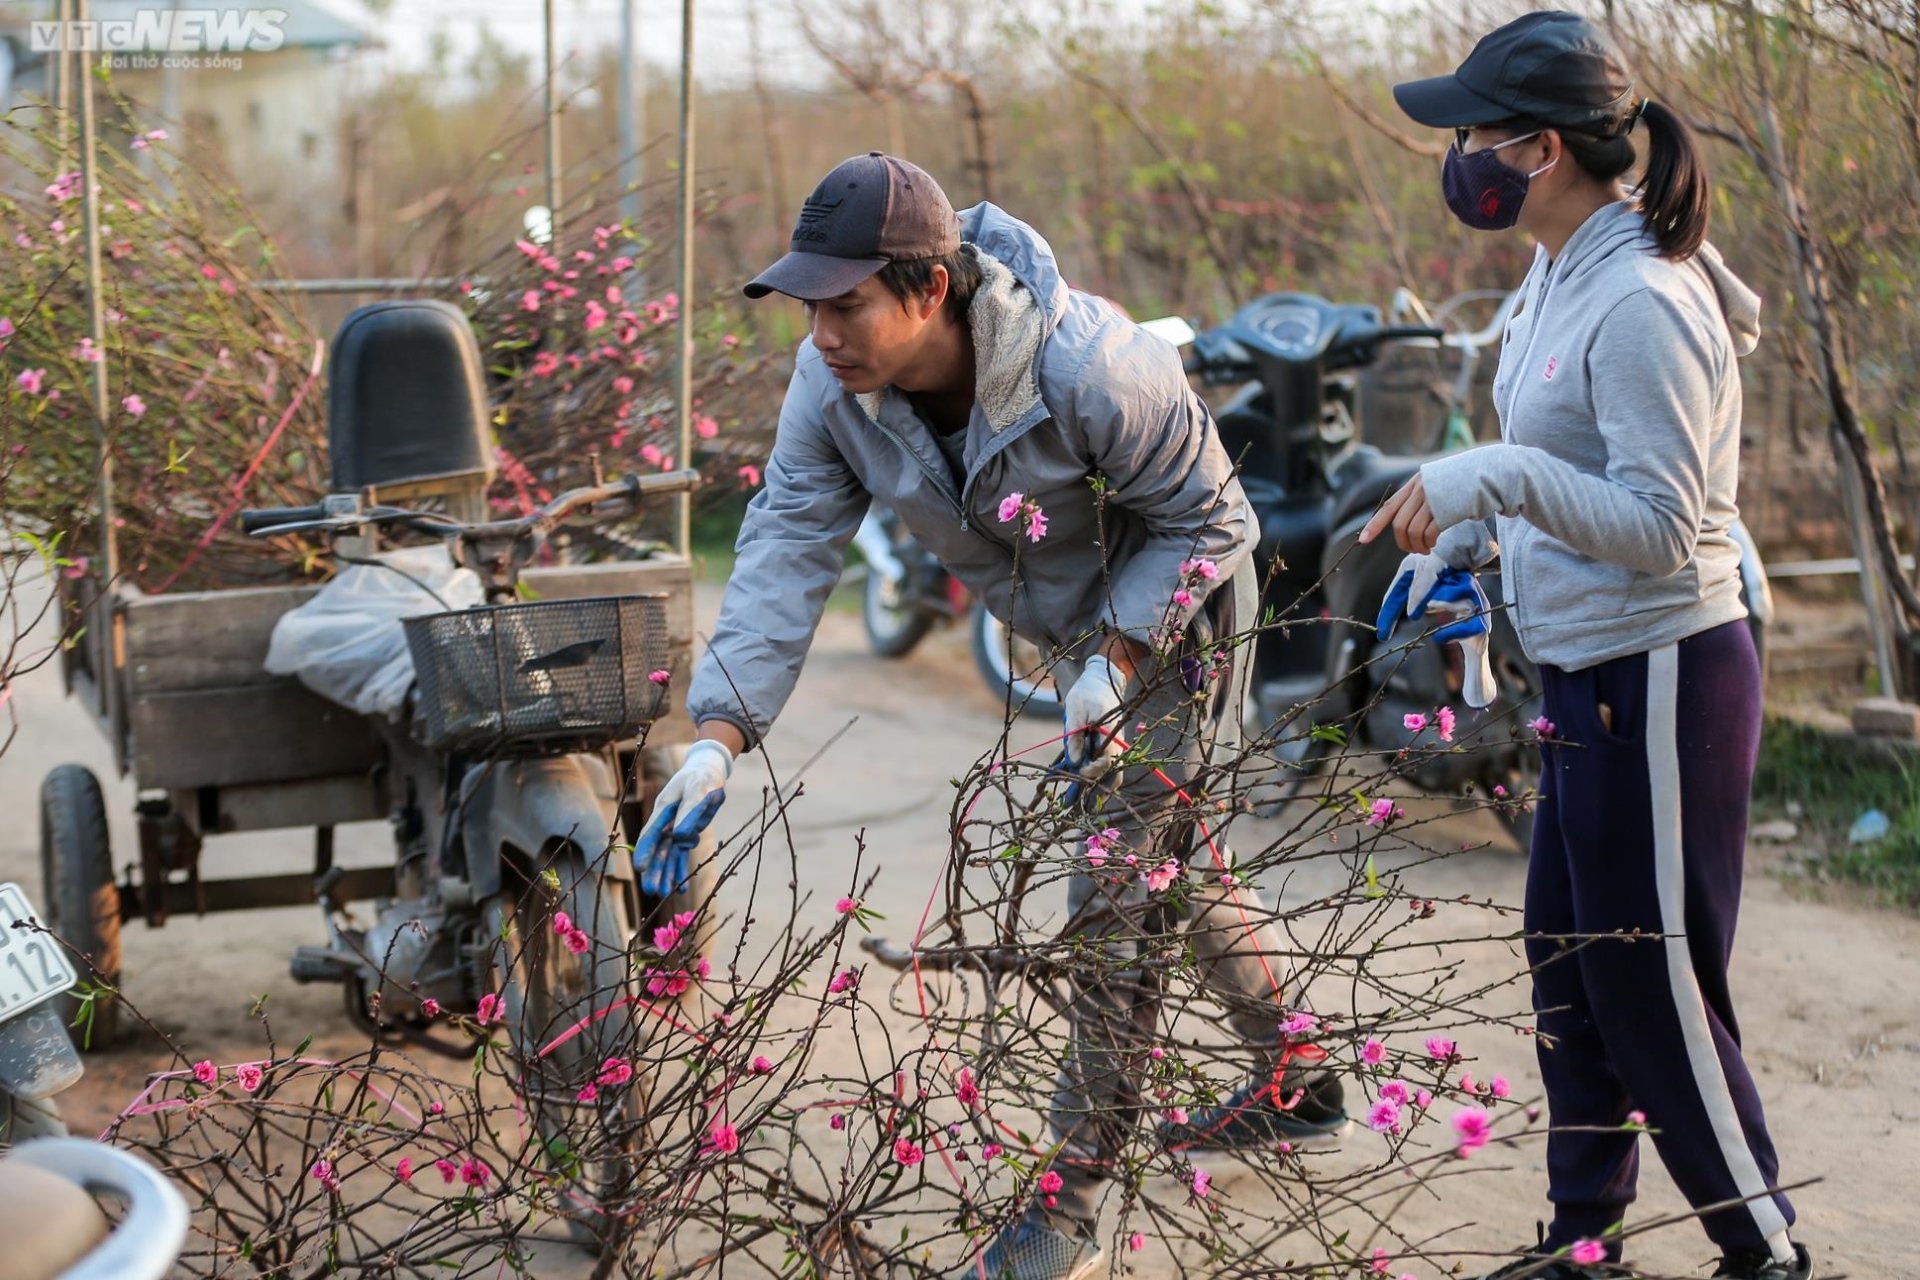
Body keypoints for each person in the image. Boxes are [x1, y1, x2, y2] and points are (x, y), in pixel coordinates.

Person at [633, 152, 1350, 1280]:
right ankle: (1297, 1073)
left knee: (1116, 893)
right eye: (809, 306)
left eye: (845, 304)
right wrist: (716, 738)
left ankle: (1070, 1203)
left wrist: (1117, 655)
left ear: (929, 289)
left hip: (1181, 609)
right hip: (1073, 632)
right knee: (1168, 857)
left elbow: (1213, 518)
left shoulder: (1092, 368)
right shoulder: (832, 387)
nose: (821, 333)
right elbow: (785, 543)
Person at [1370, 13, 1809, 1280]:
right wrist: (1462, 541)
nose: (1458, 156)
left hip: (1662, 669)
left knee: (1652, 982)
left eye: (1472, 134)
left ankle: (1765, 1247)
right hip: (1583, 668)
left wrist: (1493, 476)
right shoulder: (1555, 273)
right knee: (1569, 964)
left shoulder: (1644, 301)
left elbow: (1663, 529)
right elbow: (1556, 466)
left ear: (1542, 148)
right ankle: (1582, 1242)